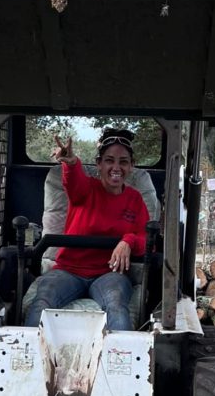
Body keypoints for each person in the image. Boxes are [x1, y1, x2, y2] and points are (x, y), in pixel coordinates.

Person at [24, 128, 149, 330]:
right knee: (44, 299)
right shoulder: (85, 188)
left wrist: (128, 241)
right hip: (69, 271)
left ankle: (120, 359)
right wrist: (72, 163)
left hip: (109, 273)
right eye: (109, 160)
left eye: (123, 161)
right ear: (99, 164)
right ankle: (27, 357)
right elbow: (73, 181)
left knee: (116, 304)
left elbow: (145, 240)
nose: (116, 167)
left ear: (131, 166)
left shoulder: (135, 199)